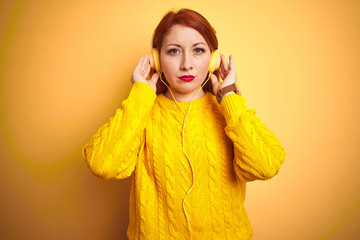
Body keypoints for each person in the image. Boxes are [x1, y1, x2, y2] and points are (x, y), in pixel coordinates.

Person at [82, 8, 286, 240]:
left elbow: (266, 166)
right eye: (174, 51)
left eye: (198, 50)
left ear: (213, 59)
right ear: (157, 60)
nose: (187, 64)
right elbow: (102, 165)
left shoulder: (227, 111)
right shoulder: (143, 112)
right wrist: (140, 95)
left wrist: (229, 96)